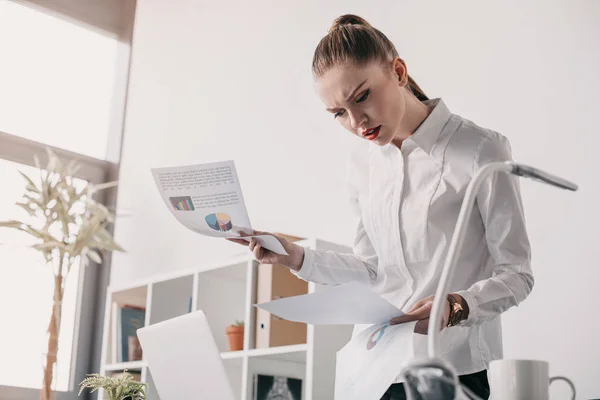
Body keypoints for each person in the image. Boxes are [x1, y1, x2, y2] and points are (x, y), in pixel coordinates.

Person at [228, 14, 533, 400]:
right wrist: (295, 257)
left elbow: (518, 273)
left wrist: (456, 306)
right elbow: (372, 269)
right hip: (374, 371)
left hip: (451, 370)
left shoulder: (480, 150)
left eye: (362, 97)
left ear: (399, 72)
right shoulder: (361, 164)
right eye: (338, 113)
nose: (356, 122)